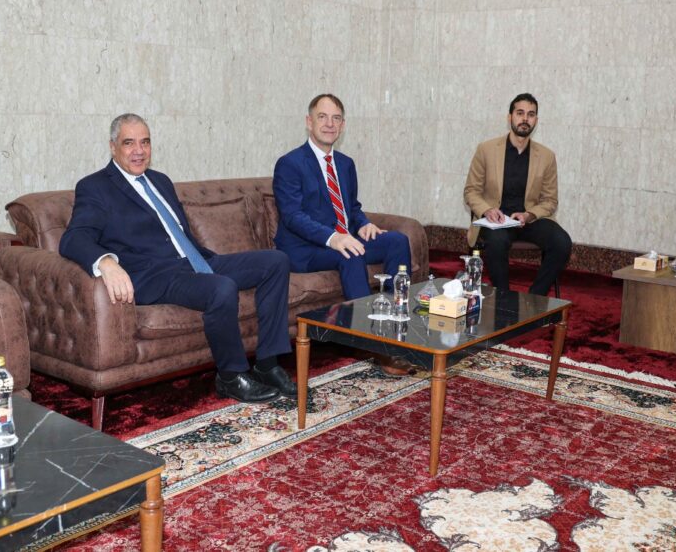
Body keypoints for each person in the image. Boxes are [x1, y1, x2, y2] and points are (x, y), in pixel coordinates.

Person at [59, 113, 294, 404]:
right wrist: (106, 262)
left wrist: (202, 261)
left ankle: (268, 364)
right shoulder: (95, 187)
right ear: (112, 147)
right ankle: (231, 377)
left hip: (196, 263)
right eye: (129, 143)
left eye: (145, 142)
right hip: (156, 274)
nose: (139, 151)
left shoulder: (160, 181)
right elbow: (73, 237)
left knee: (276, 261)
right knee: (222, 288)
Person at [273, 94, 412, 300]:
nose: (330, 124)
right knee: (350, 252)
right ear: (309, 122)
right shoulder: (290, 164)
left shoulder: (345, 163)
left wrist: (363, 224)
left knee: (397, 241)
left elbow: (352, 207)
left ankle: (396, 308)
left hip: (342, 239)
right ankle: (364, 321)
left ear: (342, 125)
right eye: (322, 117)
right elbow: (293, 216)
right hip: (306, 249)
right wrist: (334, 238)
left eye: (336, 118)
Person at [463, 93, 571, 295]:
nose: (525, 119)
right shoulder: (486, 150)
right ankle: (504, 299)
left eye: (531, 114)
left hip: (529, 220)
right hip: (496, 220)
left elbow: (550, 200)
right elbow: (471, 191)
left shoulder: (546, 156)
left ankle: (535, 299)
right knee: (496, 243)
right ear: (509, 117)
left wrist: (529, 215)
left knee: (562, 243)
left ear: (536, 120)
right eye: (520, 113)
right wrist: (487, 210)